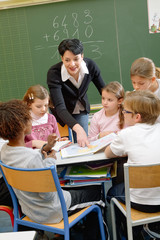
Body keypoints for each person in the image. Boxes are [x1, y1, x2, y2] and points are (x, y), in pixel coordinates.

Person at [0, 99, 106, 239]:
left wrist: (45, 148)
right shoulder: (33, 159)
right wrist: (51, 161)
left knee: (72, 188)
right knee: (96, 192)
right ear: (23, 125)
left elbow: (23, 157)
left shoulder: (5, 151)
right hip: (52, 211)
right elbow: (49, 195)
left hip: (29, 209)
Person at [105, 90, 160, 239]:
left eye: (125, 111)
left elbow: (108, 153)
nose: (122, 113)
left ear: (137, 117)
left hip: (141, 203)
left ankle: (130, 234)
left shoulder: (126, 134)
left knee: (112, 193)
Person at [47, 38, 105, 147]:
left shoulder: (91, 66)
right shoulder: (54, 73)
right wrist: (77, 128)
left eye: (76, 59)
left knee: (82, 143)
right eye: (67, 60)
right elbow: (60, 107)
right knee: (62, 145)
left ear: (82, 56)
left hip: (80, 110)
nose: (72, 64)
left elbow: (104, 91)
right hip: (60, 113)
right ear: (62, 58)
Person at [23, 84, 61, 149]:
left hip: (50, 155)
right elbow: (18, 148)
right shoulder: (23, 121)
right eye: (38, 106)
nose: (43, 109)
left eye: (46, 105)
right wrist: (33, 143)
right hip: (32, 156)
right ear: (29, 104)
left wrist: (59, 141)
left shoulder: (51, 118)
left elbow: (57, 138)